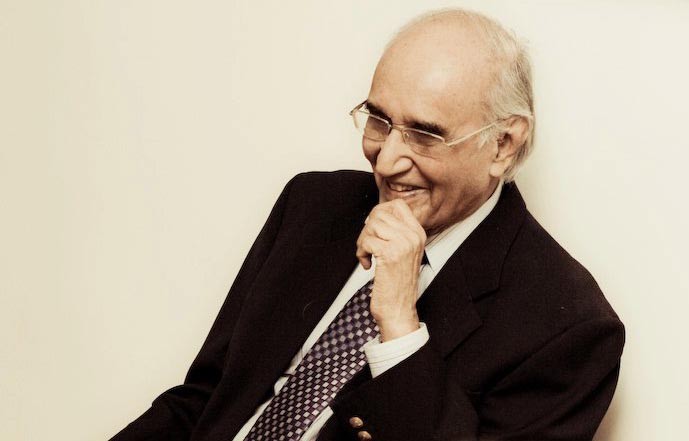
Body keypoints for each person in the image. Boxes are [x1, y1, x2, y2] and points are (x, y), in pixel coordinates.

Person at [111, 8, 624, 441]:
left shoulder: (568, 328)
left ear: (503, 144)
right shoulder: (312, 204)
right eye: (379, 120)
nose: (386, 159)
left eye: (425, 134)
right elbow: (206, 396)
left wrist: (399, 324)